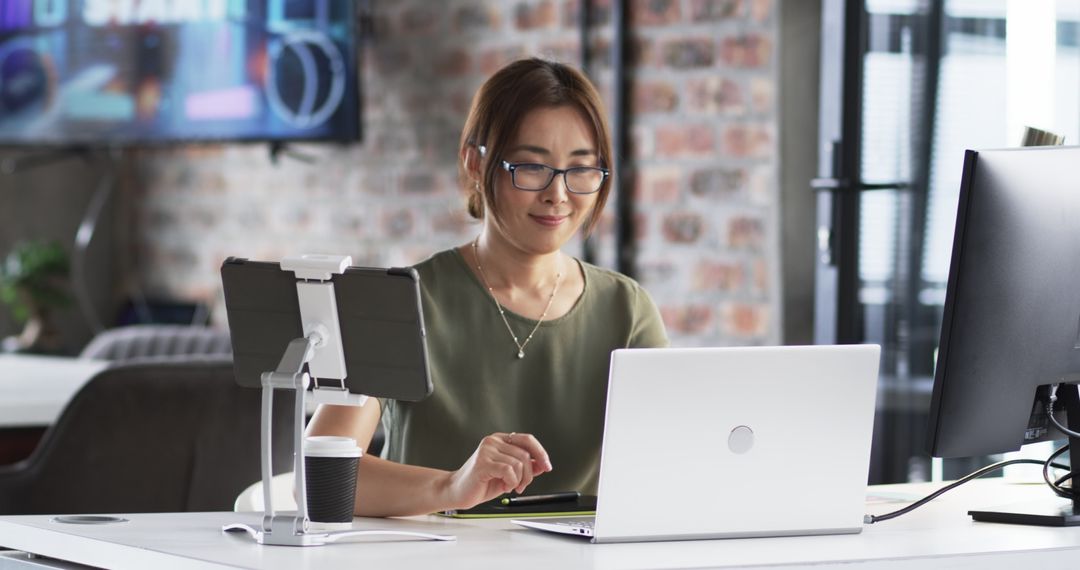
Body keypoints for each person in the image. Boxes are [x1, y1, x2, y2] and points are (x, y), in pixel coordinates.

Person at [306, 58, 668, 517]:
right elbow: (318, 472)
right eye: (532, 168)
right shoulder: (403, 302)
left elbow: (672, 464)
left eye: (581, 170)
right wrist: (451, 487)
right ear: (476, 163)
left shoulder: (626, 309)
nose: (558, 194)